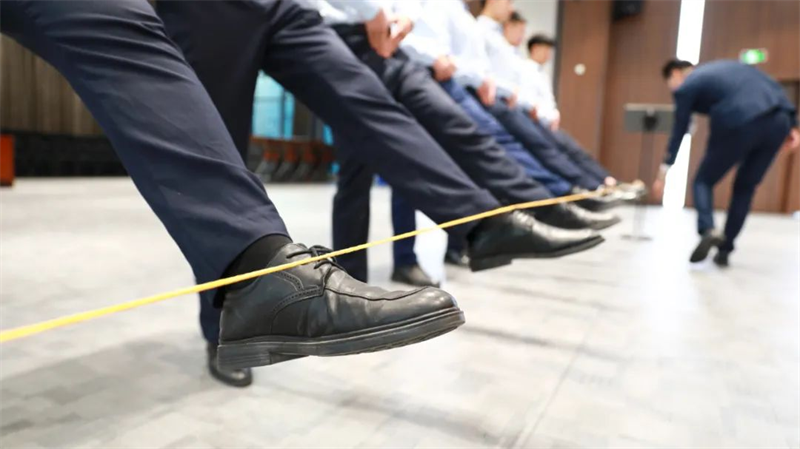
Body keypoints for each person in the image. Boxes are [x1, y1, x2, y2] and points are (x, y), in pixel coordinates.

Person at [152, 0, 607, 385]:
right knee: (222, 155)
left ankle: (482, 224)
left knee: (375, 108)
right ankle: (223, 331)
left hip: (297, 7)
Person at [288, 0, 608, 279]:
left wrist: (405, 19)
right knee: (360, 172)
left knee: (456, 134)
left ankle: (516, 215)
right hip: (345, 37)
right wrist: (373, 12)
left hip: (396, 47)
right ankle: (354, 275)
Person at [654, 59, 800, 266]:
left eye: (669, 83)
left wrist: (665, 170)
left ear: (676, 73)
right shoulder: (730, 69)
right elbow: (773, 86)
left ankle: (708, 229)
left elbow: (680, 130)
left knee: (703, 180)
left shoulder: (688, 84)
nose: (672, 89)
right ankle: (725, 250)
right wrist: (793, 125)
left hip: (738, 120)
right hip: (778, 121)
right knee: (745, 188)